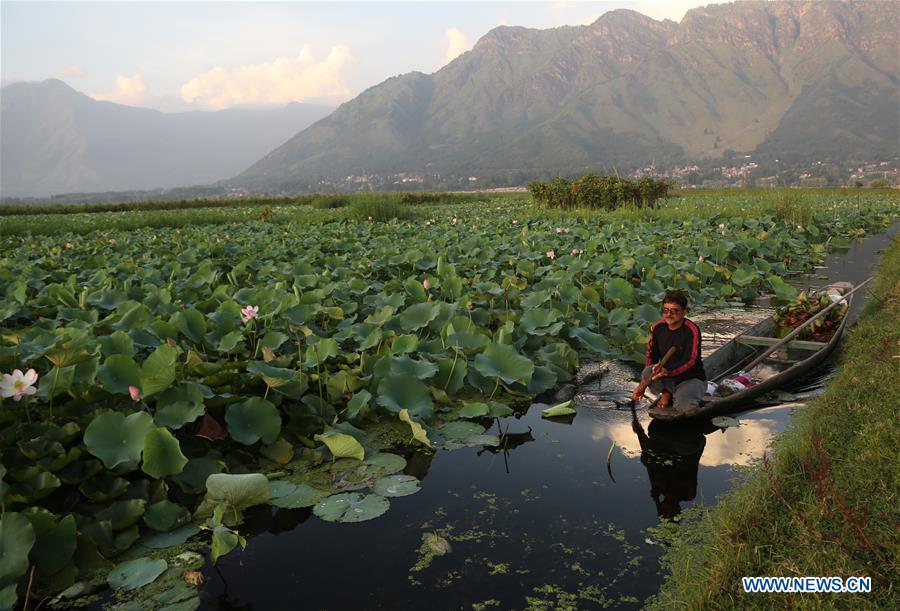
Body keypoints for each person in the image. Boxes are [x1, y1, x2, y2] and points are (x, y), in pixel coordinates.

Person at [630, 289, 706, 409]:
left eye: (674, 311)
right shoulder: (657, 328)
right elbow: (651, 355)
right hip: (666, 377)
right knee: (647, 371)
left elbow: (691, 359)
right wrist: (642, 385)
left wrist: (668, 370)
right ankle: (666, 392)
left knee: (684, 408)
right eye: (665, 310)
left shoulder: (691, 330)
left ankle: (689, 393)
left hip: (689, 378)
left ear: (685, 312)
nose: (669, 314)